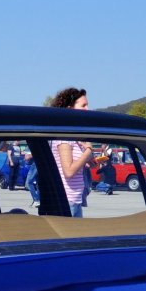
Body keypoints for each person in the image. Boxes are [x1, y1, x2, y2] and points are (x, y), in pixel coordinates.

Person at [48, 88, 95, 217]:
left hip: (75, 199)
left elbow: (73, 166)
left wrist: (88, 161)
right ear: (70, 109)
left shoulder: (73, 137)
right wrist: (89, 151)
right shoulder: (65, 138)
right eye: (83, 105)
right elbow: (68, 171)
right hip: (67, 201)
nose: (88, 109)